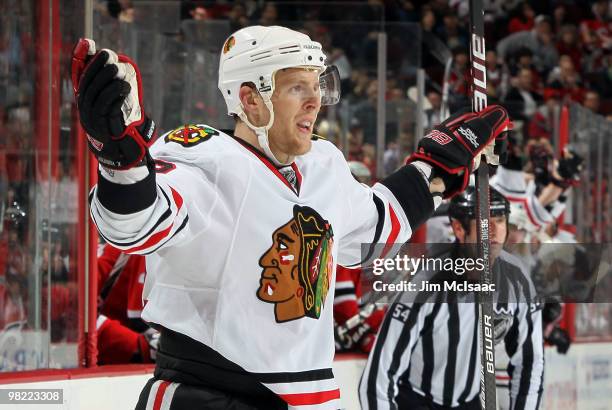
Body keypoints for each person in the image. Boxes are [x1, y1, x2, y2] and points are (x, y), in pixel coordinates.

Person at [72, 25, 510, 409]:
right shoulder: (201, 157)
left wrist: (436, 166)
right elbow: (133, 224)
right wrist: (120, 159)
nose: (316, 100)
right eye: (298, 87)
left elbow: (374, 228)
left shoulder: (323, 163)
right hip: (208, 396)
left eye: (318, 86)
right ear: (251, 99)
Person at [359, 187, 544, 410]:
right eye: (485, 222)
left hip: (469, 402)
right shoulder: (425, 282)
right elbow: (376, 379)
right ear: (458, 228)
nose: (495, 231)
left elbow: (530, 364)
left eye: (501, 220)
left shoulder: (517, 280)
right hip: (415, 400)